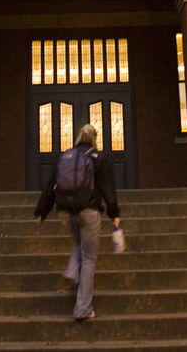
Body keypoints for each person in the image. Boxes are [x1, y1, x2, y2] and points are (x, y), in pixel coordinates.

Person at [34, 123, 121, 321]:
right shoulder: (98, 158)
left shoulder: (66, 156)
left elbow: (50, 186)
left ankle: (73, 272)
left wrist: (41, 211)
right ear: (94, 139)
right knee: (89, 257)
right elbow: (107, 188)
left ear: (78, 138)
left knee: (79, 243)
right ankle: (82, 308)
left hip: (66, 210)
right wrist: (114, 212)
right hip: (89, 211)